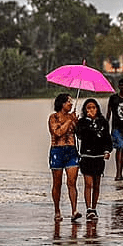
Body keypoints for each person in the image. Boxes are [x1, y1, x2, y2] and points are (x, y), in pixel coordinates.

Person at [75, 98, 112, 221]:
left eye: (93, 107)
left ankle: (94, 208)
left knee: (96, 184)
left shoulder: (103, 122)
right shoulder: (82, 122)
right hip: (86, 155)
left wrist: (107, 150)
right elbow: (80, 135)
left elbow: (107, 137)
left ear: (97, 109)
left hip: (99, 156)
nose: (91, 110)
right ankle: (88, 208)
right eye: (88, 108)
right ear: (85, 110)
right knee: (88, 183)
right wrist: (88, 122)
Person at [48, 93, 80, 222]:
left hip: (71, 150)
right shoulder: (53, 117)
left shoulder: (71, 118)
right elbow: (58, 132)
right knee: (57, 183)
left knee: (72, 182)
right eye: (68, 102)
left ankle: (74, 210)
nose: (71, 104)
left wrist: (76, 123)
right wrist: (69, 121)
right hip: (57, 150)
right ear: (62, 104)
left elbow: (78, 134)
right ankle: (57, 210)